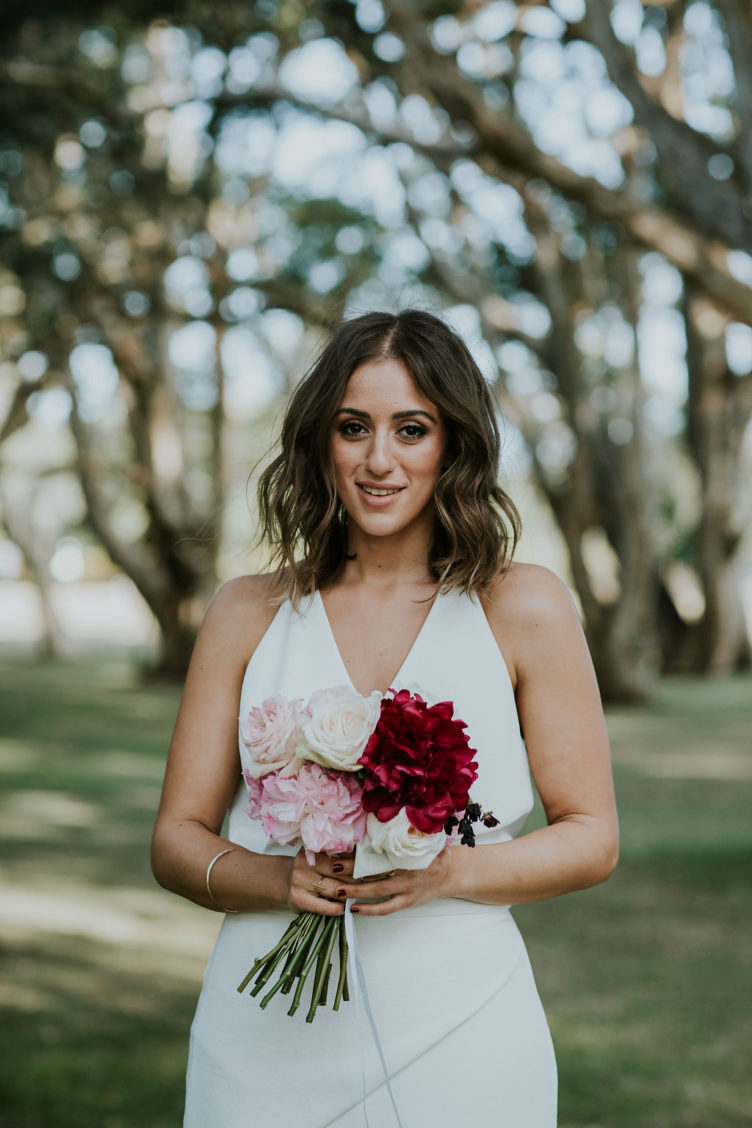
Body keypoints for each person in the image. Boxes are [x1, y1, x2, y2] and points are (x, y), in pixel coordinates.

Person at [151, 308, 619, 1127]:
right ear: (320, 442)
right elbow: (175, 839)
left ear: (454, 444)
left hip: (463, 1025)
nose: (379, 460)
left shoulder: (524, 605)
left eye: (412, 429)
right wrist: (276, 879)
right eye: (353, 427)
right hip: (265, 1034)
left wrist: (452, 872)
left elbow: (591, 835)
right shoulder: (246, 611)